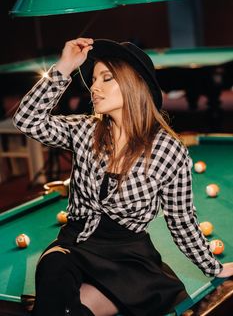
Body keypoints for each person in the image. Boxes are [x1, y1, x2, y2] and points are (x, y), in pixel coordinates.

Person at [13, 37, 233, 316]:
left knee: (68, 309)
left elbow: (182, 220)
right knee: (53, 269)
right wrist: (65, 66)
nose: (94, 87)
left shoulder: (167, 149)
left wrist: (213, 267)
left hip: (128, 259)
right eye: (93, 79)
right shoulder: (83, 130)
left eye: (106, 79)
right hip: (74, 245)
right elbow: (27, 120)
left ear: (134, 83)